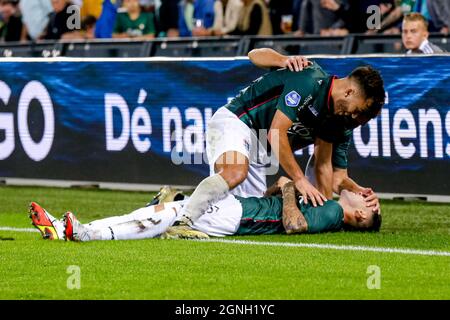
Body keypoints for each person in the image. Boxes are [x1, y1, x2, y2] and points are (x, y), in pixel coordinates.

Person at [170, 47, 384, 238]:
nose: (355, 118)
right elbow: (275, 131)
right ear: (349, 92)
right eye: (358, 111)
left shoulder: (338, 120)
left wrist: (359, 191)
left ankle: (172, 199)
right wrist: (299, 179)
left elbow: (332, 173)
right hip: (238, 121)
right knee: (235, 172)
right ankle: (183, 221)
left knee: (234, 214)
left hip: (259, 149)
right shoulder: (309, 78)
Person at [29, 177, 382, 242]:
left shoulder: (334, 213)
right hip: (241, 210)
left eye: (369, 201)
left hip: (239, 216)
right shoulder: (328, 203)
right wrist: (282, 186)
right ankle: (67, 229)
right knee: (158, 214)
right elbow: (276, 198)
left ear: (361, 216)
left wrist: (289, 188)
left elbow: (294, 226)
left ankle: (81, 232)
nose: (366, 194)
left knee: (160, 216)